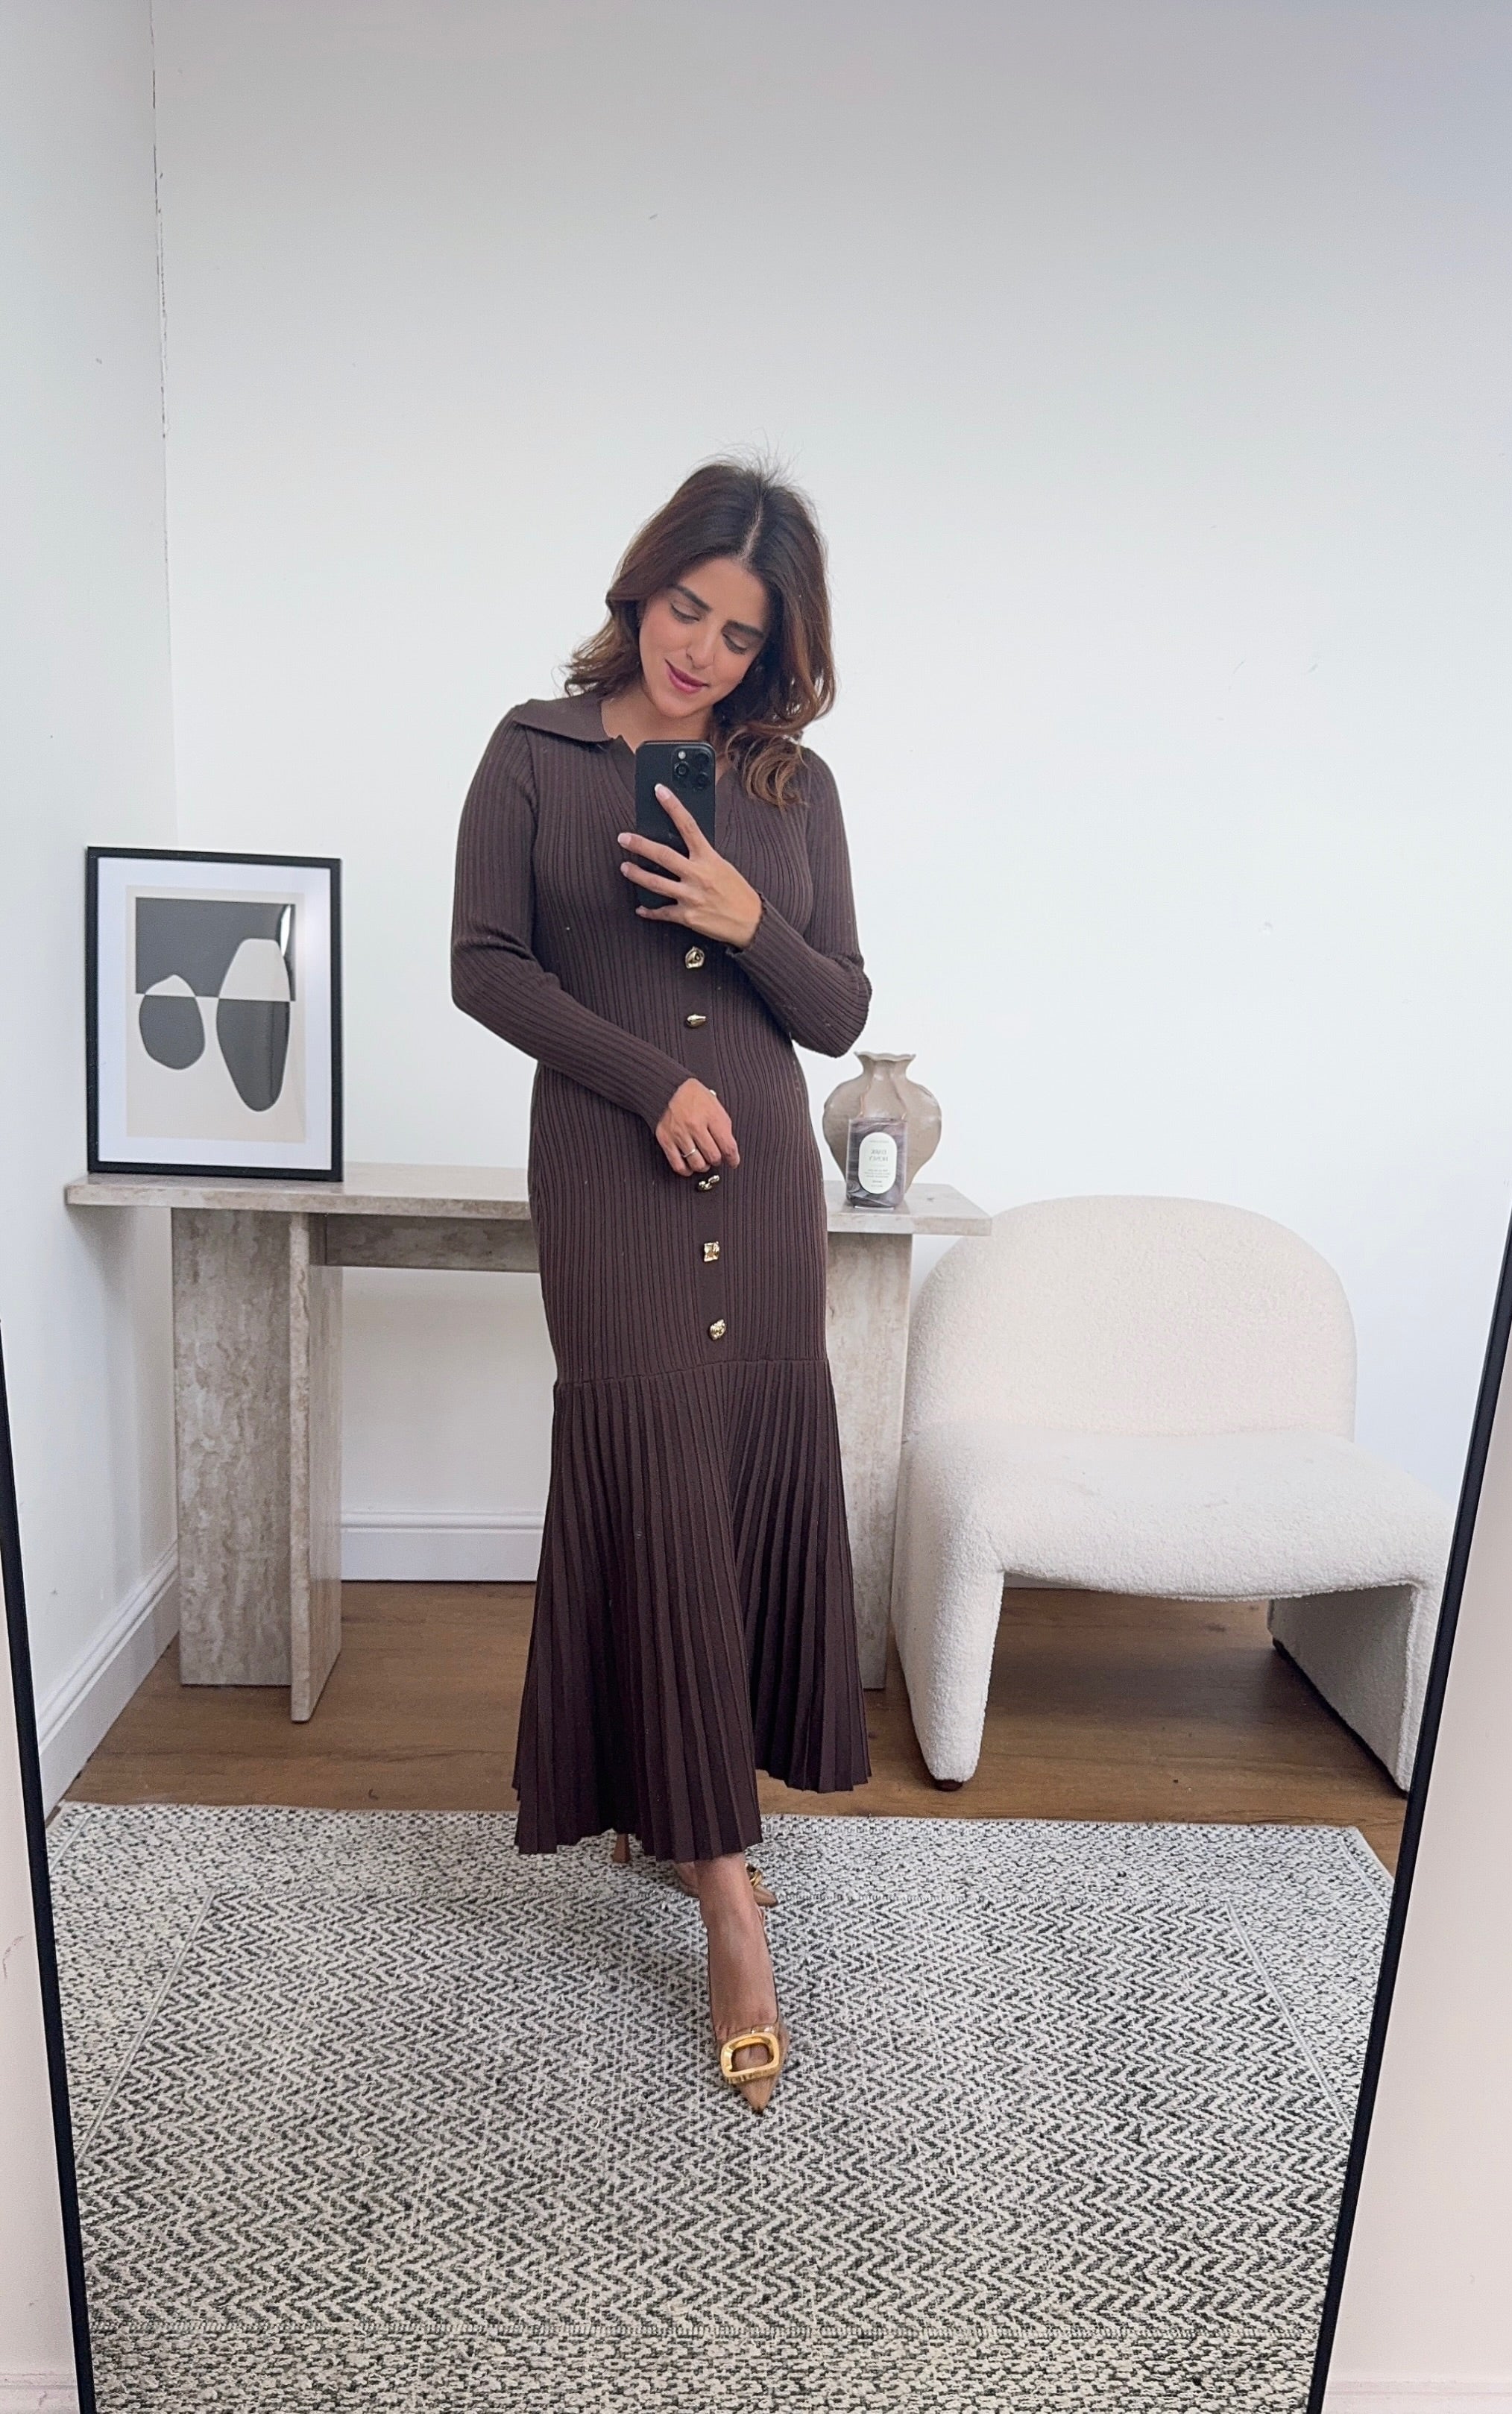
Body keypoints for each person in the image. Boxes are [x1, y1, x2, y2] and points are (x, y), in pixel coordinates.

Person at [450, 458, 872, 2112]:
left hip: (761, 1182)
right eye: (685, 608)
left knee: (732, 1481)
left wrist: (747, 915)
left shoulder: (793, 786)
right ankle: (728, 1902)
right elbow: (484, 964)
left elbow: (837, 1012)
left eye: (739, 631)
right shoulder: (535, 752)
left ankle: (680, 1810)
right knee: (653, 1484)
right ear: (641, 589)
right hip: (613, 1170)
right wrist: (648, 1079)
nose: (699, 649)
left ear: (777, 647)